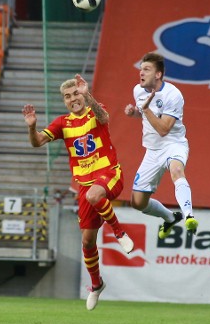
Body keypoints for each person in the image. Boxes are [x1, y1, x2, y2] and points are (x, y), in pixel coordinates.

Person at [23, 75, 134, 311]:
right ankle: (97, 285)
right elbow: (37, 142)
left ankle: (119, 232)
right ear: (64, 101)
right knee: (87, 240)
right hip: (85, 184)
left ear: (82, 94)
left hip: (109, 174)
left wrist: (88, 95)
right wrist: (32, 127)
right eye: (68, 96)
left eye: (75, 94)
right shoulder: (63, 123)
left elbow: (104, 117)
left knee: (95, 196)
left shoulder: (95, 110)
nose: (73, 99)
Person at [123, 52, 197, 239]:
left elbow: (163, 129)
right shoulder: (138, 90)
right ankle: (170, 217)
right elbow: (146, 113)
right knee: (137, 202)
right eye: (141, 69)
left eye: (147, 69)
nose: (141, 73)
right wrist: (135, 113)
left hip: (173, 144)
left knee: (176, 171)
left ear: (158, 74)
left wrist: (145, 110)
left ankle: (189, 216)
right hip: (152, 151)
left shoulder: (173, 95)